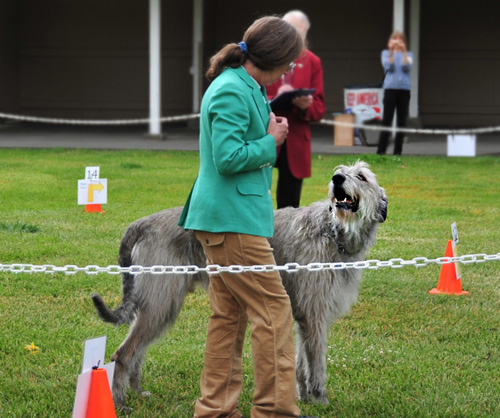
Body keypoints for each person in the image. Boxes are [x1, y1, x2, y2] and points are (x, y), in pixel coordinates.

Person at [178, 16, 318, 418]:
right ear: (275, 59)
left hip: (232, 220)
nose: (291, 70)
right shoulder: (230, 91)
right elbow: (227, 158)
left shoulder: (247, 86)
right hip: (231, 222)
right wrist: (270, 140)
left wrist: (267, 129)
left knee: (229, 316)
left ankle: (215, 409)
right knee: (274, 314)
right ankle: (274, 411)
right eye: (290, 63)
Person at [266, 10, 326, 209]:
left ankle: (286, 237)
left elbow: (319, 108)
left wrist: (306, 106)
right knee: (257, 192)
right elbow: (252, 93)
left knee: (290, 204)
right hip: (266, 134)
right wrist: (275, 99)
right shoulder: (267, 56)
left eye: (299, 35)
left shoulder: (312, 61)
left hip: (296, 140)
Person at [376, 31, 413, 155]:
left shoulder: (409, 54)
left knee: (401, 121)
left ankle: (398, 152)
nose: (398, 42)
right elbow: (388, 67)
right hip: (390, 89)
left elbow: (406, 67)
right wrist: (391, 52)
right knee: (387, 119)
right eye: (395, 39)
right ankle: (381, 151)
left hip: (404, 90)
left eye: (400, 40)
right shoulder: (385, 53)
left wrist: (404, 51)